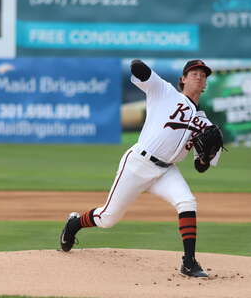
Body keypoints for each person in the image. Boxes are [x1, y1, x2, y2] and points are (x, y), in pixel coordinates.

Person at [59, 59, 223, 278]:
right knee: (108, 218)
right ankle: (74, 224)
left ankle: (189, 262)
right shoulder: (165, 92)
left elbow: (200, 167)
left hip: (166, 171)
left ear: (205, 85)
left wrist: (205, 156)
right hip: (138, 163)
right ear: (183, 79)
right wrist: (144, 70)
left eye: (203, 75)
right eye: (194, 73)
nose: (199, 77)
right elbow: (138, 68)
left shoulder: (207, 125)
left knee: (187, 202)